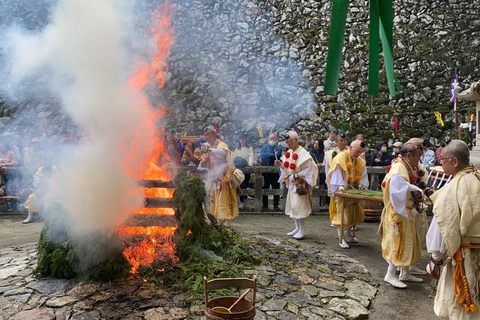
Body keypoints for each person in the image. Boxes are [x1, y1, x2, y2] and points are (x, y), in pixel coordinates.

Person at [426, 140, 480, 319]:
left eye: (443, 159)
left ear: (455, 161)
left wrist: (435, 259)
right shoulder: (478, 178)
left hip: (464, 259)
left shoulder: (453, 188)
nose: (440, 163)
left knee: (461, 309)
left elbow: (443, 228)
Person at [379, 141, 426, 288]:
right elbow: (396, 188)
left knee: (409, 241)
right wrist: (413, 188)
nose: (419, 159)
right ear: (409, 155)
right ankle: (390, 274)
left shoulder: (407, 166)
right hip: (399, 212)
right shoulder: (399, 167)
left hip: (407, 210)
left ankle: (405, 272)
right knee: (398, 242)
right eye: (418, 156)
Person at [274, 131, 318, 239]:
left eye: (290, 142)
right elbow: (287, 169)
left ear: (296, 141)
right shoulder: (288, 153)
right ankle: (297, 227)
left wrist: (294, 176)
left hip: (299, 184)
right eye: (287, 142)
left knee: (299, 206)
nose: (288, 144)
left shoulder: (303, 154)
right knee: (293, 206)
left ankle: (302, 229)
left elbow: (308, 170)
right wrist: (280, 165)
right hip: (291, 184)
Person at [326, 140, 368, 248]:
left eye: (360, 152)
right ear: (350, 148)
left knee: (352, 213)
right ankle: (341, 238)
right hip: (342, 190)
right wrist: (340, 188)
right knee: (342, 214)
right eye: (356, 151)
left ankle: (348, 234)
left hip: (352, 189)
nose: (358, 154)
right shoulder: (341, 157)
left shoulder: (359, 160)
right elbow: (337, 174)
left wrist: (360, 185)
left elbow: (362, 174)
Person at [199, 126, 239, 227]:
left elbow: (222, 153)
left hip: (223, 177)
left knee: (224, 200)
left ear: (214, 134)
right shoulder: (208, 146)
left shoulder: (221, 144)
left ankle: (228, 223)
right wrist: (204, 163)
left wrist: (208, 150)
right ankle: (219, 222)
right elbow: (207, 163)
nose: (206, 137)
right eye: (205, 135)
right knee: (215, 201)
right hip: (214, 177)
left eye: (208, 134)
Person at [23, 157, 60, 223]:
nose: (46, 163)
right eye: (44, 162)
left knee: (47, 198)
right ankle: (30, 217)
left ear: (50, 162)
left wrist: (46, 180)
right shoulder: (40, 169)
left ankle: (47, 218)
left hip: (52, 191)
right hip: (41, 190)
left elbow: (57, 181)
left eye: (47, 161)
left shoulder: (54, 169)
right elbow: (36, 180)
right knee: (32, 197)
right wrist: (36, 187)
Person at [324, 133, 348, 208]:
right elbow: (327, 168)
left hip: (347, 180)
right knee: (334, 202)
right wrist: (328, 180)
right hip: (334, 181)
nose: (343, 142)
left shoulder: (350, 152)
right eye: (341, 140)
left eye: (345, 140)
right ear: (336, 142)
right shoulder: (330, 154)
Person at [260, 133, 283, 211]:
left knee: (276, 187)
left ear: (276, 140)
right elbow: (262, 156)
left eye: (273, 139)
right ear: (268, 139)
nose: (272, 140)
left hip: (275, 171)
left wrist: (269, 155)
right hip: (265, 171)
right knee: (264, 187)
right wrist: (273, 154)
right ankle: (265, 205)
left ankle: (276, 205)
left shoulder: (279, 148)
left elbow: (278, 155)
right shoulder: (264, 148)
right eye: (271, 139)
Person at [234, 133, 254, 209]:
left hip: (245, 169)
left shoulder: (249, 148)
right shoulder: (237, 149)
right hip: (238, 169)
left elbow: (251, 156)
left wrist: (250, 163)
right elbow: (235, 158)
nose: (242, 140)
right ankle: (242, 201)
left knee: (244, 185)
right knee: (239, 185)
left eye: (243, 139)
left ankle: (245, 201)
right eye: (241, 139)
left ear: (245, 139)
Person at [310, 139, 326, 206]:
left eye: (317, 144)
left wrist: (321, 164)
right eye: (315, 143)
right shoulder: (311, 153)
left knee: (322, 186)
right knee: (314, 187)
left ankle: (322, 203)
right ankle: (313, 203)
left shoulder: (324, 153)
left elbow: (325, 162)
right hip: (313, 172)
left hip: (322, 172)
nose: (315, 145)